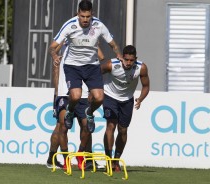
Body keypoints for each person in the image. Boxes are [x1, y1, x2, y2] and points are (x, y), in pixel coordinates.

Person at [49, 0, 123, 135]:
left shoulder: (99, 25)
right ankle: (70, 112)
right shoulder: (69, 25)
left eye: (88, 17)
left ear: (92, 14)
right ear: (78, 14)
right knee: (75, 96)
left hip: (91, 66)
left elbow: (113, 44)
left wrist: (119, 54)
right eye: (82, 16)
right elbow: (52, 47)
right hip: (73, 66)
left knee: (99, 98)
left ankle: (89, 113)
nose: (85, 20)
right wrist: (54, 56)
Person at [46, 40, 105, 170]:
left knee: (86, 126)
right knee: (62, 125)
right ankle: (56, 158)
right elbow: (53, 52)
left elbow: (101, 56)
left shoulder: (89, 43)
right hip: (64, 93)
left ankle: (85, 157)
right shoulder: (65, 40)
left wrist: (93, 41)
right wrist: (57, 92)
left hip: (82, 93)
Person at [101, 45, 150, 171]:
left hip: (127, 100)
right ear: (122, 57)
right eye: (126, 59)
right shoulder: (111, 64)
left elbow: (146, 86)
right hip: (110, 96)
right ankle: (108, 160)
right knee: (111, 125)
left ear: (135, 59)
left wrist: (140, 99)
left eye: (131, 60)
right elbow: (94, 75)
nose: (128, 63)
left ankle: (116, 160)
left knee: (123, 130)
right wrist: (94, 91)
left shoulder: (141, 68)